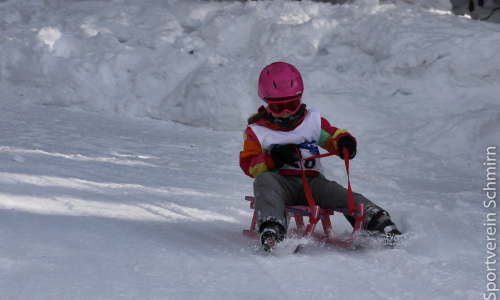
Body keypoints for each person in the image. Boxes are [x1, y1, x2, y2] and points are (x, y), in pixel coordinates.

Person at [239, 62, 402, 251]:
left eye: (291, 105)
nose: (286, 113)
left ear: (299, 99)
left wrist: (344, 142)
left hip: (313, 184)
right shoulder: (258, 131)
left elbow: (333, 135)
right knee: (264, 181)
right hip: (279, 184)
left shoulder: (312, 121)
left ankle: (377, 219)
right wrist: (273, 159)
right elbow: (249, 164)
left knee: (338, 192)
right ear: (267, 104)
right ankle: (272, 227)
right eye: (279, 107)